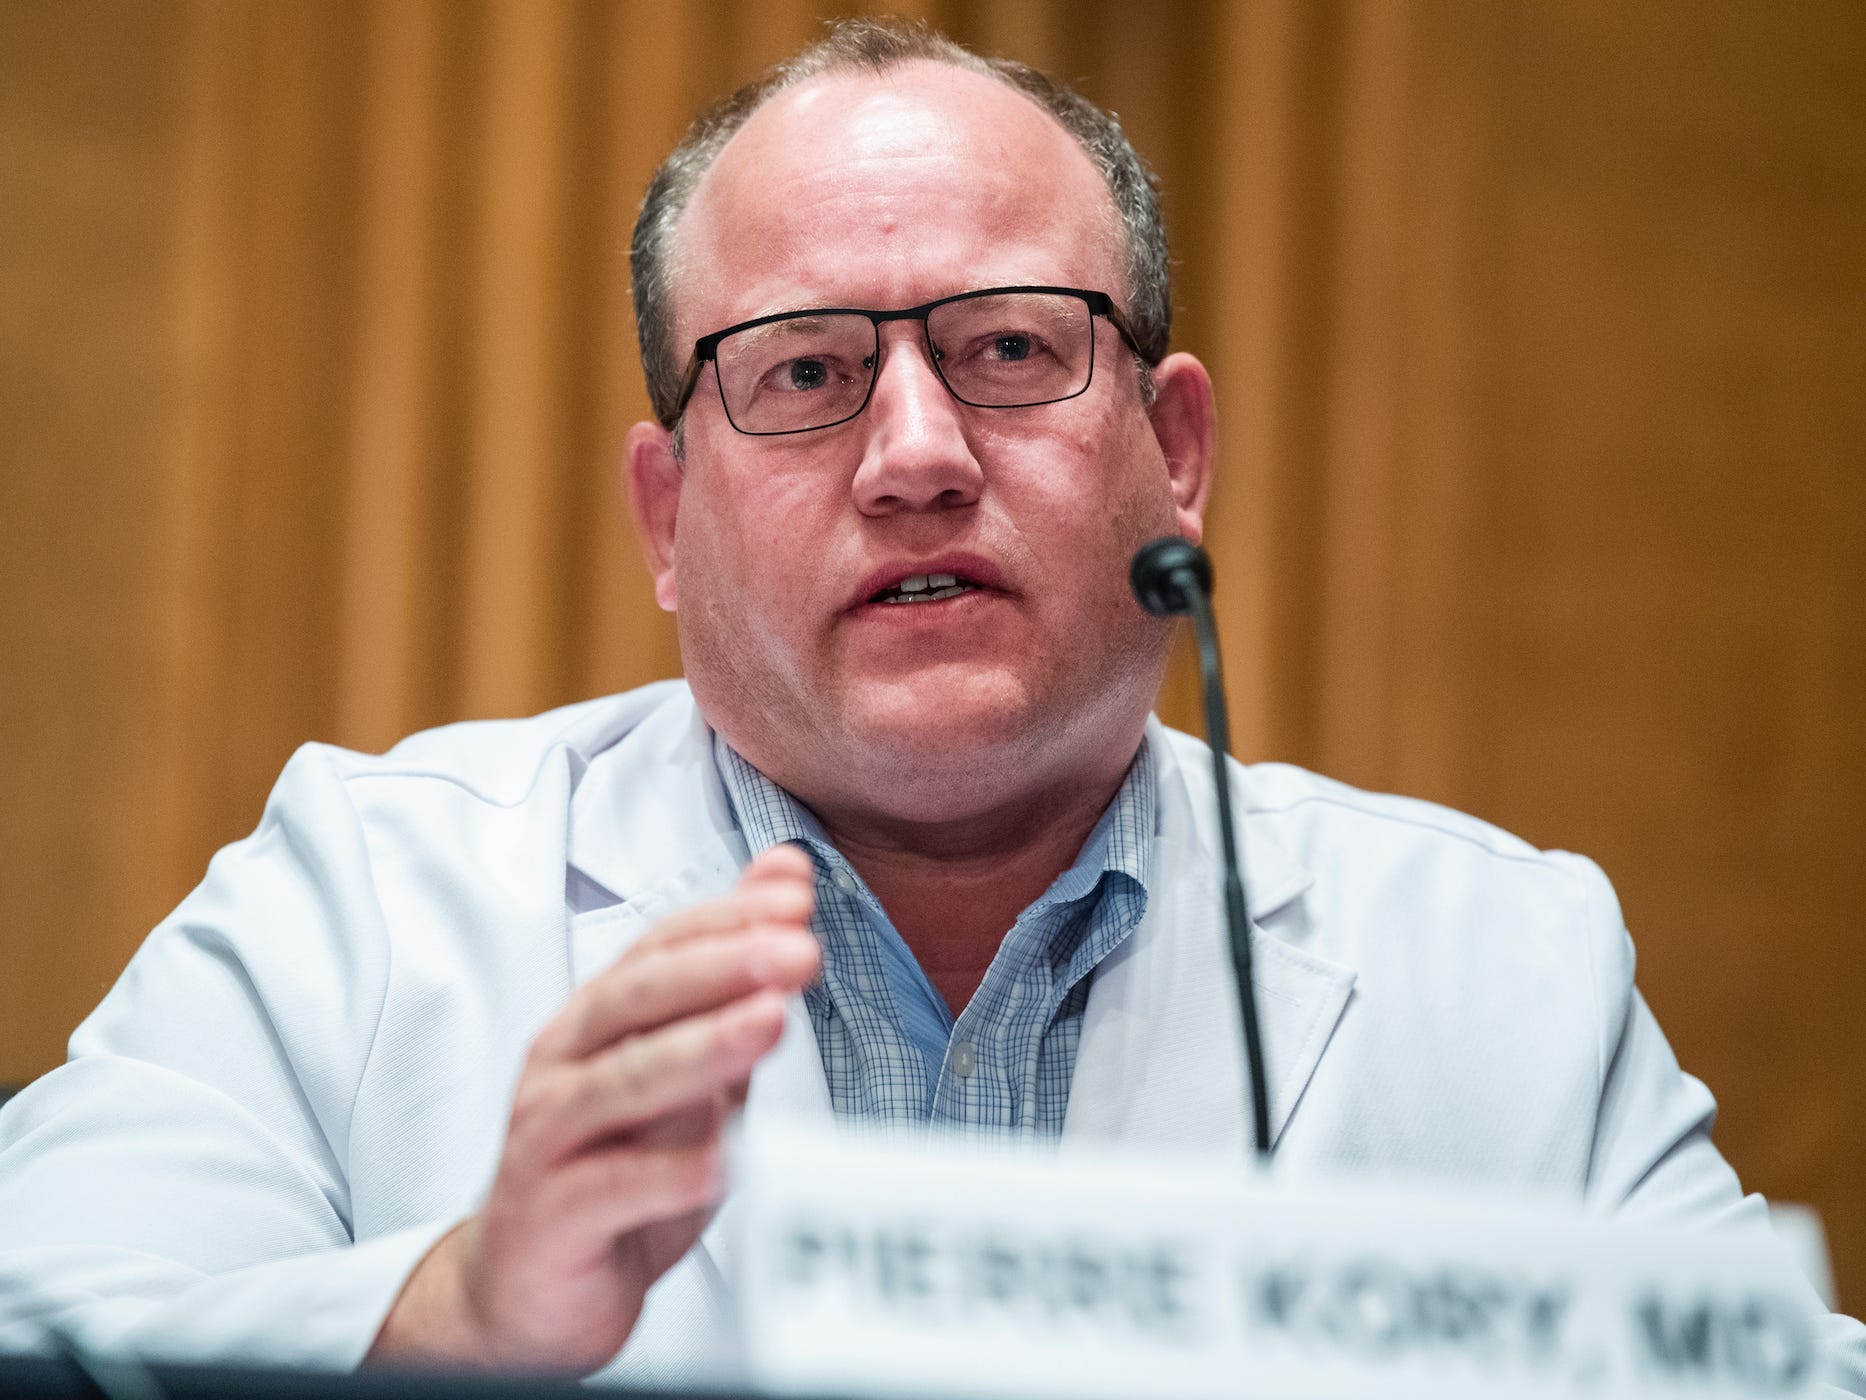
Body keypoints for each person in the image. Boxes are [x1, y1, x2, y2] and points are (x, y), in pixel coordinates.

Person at [0, 17, 1861, 1393]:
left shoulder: (1501, 962)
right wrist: (457, 1312)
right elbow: (45, 1318)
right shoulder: (369, 893)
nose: (912, 455)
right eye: (803, 371)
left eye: (1008, 352)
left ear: (1173, 448)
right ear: (666, 515)